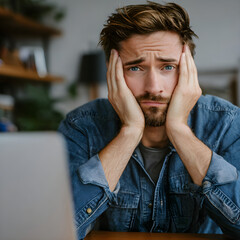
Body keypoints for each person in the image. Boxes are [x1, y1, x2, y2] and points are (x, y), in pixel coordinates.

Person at [58, 2, 240, 239]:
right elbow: (56, 229)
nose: (154, 87)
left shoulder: (227, 124)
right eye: (135, 68)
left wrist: (179, 130)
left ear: (188, 70)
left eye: (167, 66)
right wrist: (130, 132)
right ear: (113, 72)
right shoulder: (81, 126)